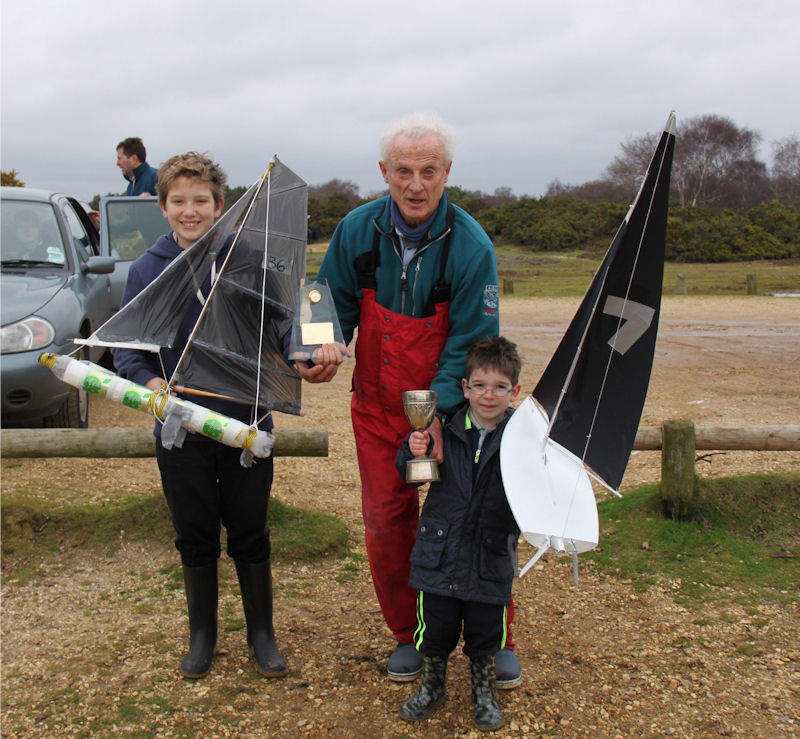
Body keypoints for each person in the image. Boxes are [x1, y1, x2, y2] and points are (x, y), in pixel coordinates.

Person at [296, 112, 521, 688]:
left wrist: (440, 414)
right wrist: (316, 350)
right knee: (387, 522)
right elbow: (329, 304)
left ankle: (493, 642)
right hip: (374, 406)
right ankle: (409, 636)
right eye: (402, 171)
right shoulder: (355, 230)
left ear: (447, 171)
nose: (415, 184)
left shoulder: (471, 247)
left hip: (448, 411)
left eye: (428, 171)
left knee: (473, 521)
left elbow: (472, 343)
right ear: (383, 171)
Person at [113, 152, 340, 680]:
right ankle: (203, 636)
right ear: (163, 207)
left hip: (247, 424)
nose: (189, 211)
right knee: (194, 534)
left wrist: (308, 354)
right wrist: (156, 391)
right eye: (178, 202)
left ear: (220, 206)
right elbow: (128, 351)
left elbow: (282, 327)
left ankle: (262, 634)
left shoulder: (246, 258)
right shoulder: (148, 269)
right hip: (178, 428)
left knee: (250, 531)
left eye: (201, 201)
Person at [395, 335, 522, 731]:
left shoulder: (523, 437)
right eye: (480, 385)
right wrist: (414, 451)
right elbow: (409, 476)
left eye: (500, 387)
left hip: (491, 550)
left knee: (486, 630)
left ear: (514, 390)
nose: (489, 395)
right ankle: (433, 686)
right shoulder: (442, 427)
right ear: (464, 387)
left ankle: (483, 692)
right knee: (435, 627)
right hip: (440, 550)